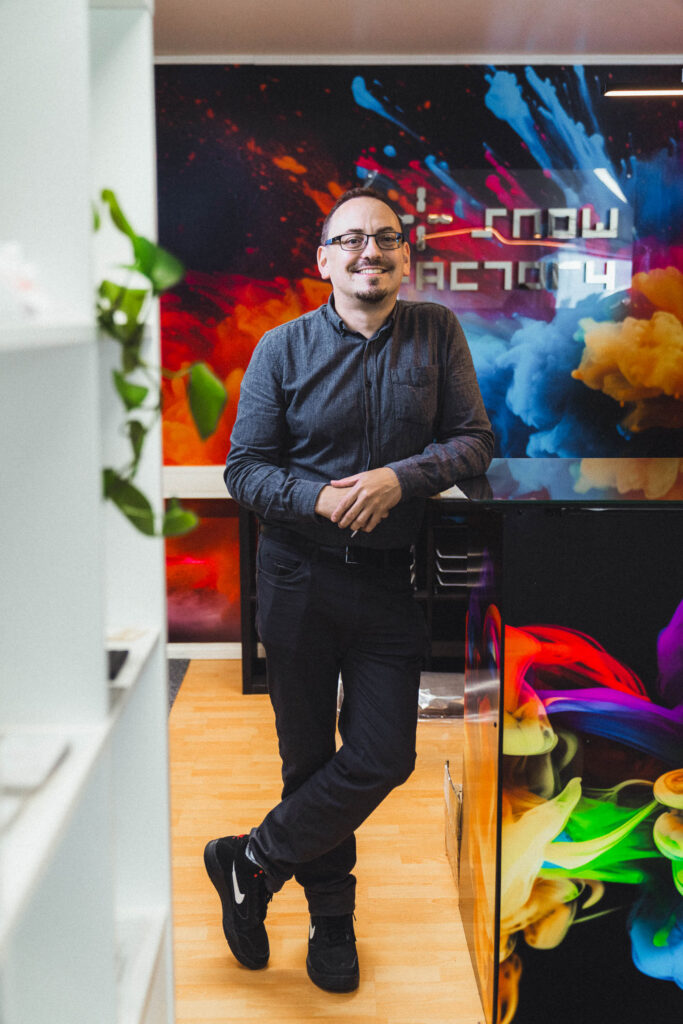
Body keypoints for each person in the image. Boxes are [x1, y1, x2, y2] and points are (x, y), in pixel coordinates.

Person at [205, 186, 494, 993]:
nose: (372, 251)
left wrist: (400, 478)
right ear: (324, 260)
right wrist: (318, 498)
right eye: (353, 239)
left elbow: (473, 440)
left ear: (405, 256)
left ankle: (250, 861)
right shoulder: (281, 348)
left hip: (386, 585)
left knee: (384, 755)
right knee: (307, 758)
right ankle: (332, 919)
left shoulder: (436, 332)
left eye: (387, 238)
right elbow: (244, 469)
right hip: (297, 578)